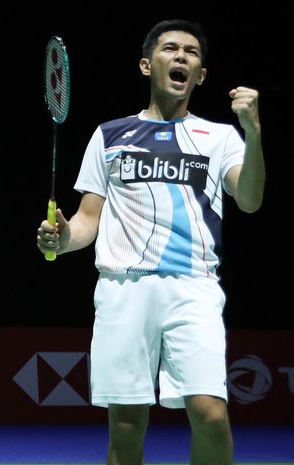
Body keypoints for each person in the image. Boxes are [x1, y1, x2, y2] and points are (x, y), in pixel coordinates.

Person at [37, 19, 264, 465]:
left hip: (193, 287)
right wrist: (63, 238)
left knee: (211, 414)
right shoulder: (108, 135)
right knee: (126, 425)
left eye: (192, 53)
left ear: (200, 75)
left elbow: (251, 199)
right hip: (124, 287)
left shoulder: (220, 137)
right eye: (170, 49)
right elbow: (87, 220)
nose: (181, 57)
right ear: (147, 65)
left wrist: (253, 132)